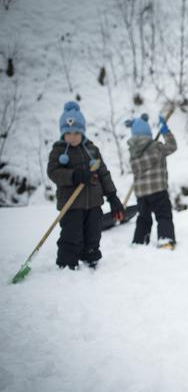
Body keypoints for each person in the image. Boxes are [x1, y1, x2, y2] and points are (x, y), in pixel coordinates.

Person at [47, 101, 124, 270]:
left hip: (94, 202)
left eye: (76, 133)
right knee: (72, 234)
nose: (73, 136)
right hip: (71, 204)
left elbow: (103, 173)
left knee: (93, 233)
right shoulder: (59, 151)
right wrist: (74, 176)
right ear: (63, 133)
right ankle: (67, 262)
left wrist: (112, 196)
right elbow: (53, 172)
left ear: (82, 132)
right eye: (68, 133)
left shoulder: (92, 150)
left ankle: (90, 256)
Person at [125, 113, 178, 249]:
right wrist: (165, 132)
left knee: (144, 218)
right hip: (158, 190)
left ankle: (139, 241)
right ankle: (165, 239)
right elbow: (172, 146)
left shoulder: (133, 153)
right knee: (163, 215)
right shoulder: (157, 147)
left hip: (141, 193)